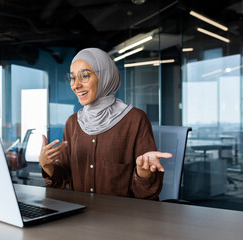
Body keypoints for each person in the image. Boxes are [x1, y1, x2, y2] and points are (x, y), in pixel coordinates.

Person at [39, 48, 172, 200]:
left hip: (122, 219)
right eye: (72, 78)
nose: (75, 85)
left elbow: (147, 194)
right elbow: (61, 180)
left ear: (104, 77)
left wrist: (143, 173)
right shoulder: (73, 123)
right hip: (80, 216)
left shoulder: (135, 119)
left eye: (85, 76)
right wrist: (47, 165)